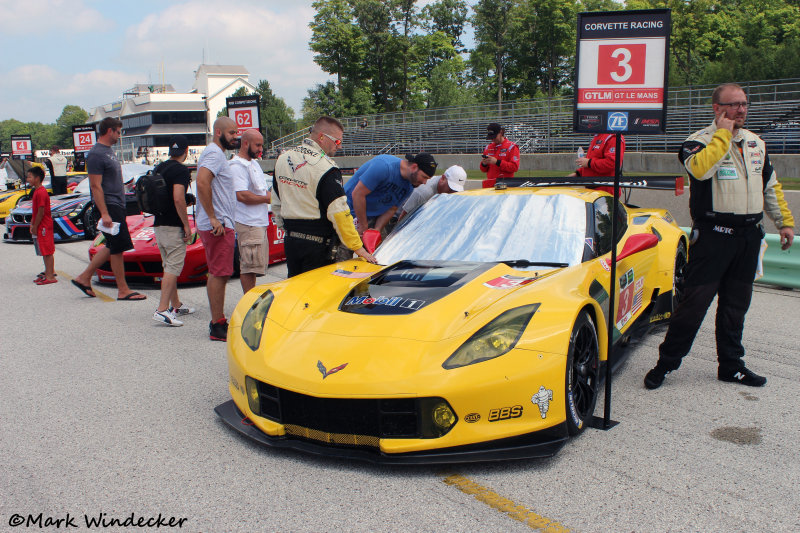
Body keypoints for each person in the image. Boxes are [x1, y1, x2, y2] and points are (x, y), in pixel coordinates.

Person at [644, 83, 795, 390]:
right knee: (693, 304)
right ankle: (666, 363)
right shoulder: (696, 143)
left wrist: (784, 222)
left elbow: (771, 188)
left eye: (744, 104)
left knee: (735, 306)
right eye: (733, 104)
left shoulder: (756, 143)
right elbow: (700, 171)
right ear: (717, 108)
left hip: (749, 237)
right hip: (714, 237)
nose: (741, 109)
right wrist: (723, 135)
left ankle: (731, 365)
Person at [273, 116, 376, 277]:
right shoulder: (326, 168)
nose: (339, 147)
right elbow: (340, 213)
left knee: (295, 293)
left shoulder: (283, 159)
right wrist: (358, 247)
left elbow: (277, 201)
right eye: (337, 141)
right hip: (318, 247)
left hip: (291, 242)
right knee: (316, 297)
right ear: (321, 137)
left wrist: (286, 229)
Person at [71, 117, 146, 301]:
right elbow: (96, 186)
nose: (119, 136)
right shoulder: (97, 154)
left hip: (116, 204)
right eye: (118, 132)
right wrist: (104, 212)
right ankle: (123, 289)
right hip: (109, 205)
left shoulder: (108, 152)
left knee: (113, 244)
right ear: (109, 131)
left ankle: (84, 277)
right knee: (117, 247)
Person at [196, 116, 238, 341]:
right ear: (218, 132)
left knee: (219, 272)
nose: (235, 137)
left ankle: (218, 320)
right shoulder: (214, 153)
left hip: (220, 223)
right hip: (218, 225)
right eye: (231, 132)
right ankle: (217, 323)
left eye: (236, 132)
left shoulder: (216, 154)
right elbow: (202, 181)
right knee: (219, 274)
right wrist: (213, 217)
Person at [151, 135, 195, 327]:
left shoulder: (159, 167)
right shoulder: (181, 171)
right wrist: (186, 224)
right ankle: (162, 310)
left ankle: (175, 305)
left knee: (169, 266)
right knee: (173, 268)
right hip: (172, 225)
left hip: (158, 224)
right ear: (186, 151)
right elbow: (178, 198)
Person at [344, 152, 437, 236]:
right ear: (414, 167)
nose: (425, 182)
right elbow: (358, 194)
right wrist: (363, 224)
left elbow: (391, 209)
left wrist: (376, 230)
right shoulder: (384, 167)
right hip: (347, 210)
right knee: (348, 248)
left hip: (370, 217)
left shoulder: (410, 185)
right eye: (424, 177)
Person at [231, 129, 270, 293]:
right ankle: (248, 302)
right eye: (258, 145)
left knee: (255, 266)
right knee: (248, 266)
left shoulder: (253, 163)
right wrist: (269, 199)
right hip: (247, 223)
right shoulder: (236, 166)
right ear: (245, 143)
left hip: (258, 222)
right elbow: (242, 195)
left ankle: (251, 300)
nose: (261, 149)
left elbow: (262, 191)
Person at [397, 165, 467, 221]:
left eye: (456, 190)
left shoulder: (444, 190)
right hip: (398, 214)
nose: (452, 192)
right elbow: (403, 215)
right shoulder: (424, 191)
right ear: (443, 178)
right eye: (451, 188)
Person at [27, 166, 57, 285]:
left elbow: (41, 211)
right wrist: (32, 223)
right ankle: (47, 272)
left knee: (47, 251)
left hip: (44, 225)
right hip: (41, 225)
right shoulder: (37, 191)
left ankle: (50, 276)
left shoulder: (41, 192)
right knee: (44, 250)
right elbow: (35, 211)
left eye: (30, 177)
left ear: (37, 178)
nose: (28, 179)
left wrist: (35, 225)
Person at [480, 123, 520, 187]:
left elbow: (514, 167)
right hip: (490, 186)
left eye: (494, 137)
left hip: (505, 186)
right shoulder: (488, 147)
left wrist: (497, 162)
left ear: (501, 133)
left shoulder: (511, 147)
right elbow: (483, 170)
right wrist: (484, 164)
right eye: (491, 138)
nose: (492, 139)